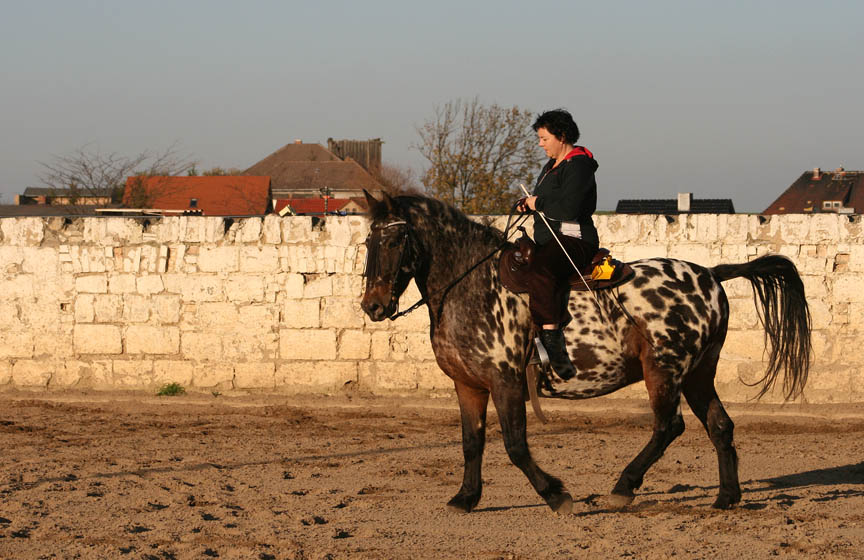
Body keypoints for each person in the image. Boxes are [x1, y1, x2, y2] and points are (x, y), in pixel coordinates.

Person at [517, 109, 600, 380]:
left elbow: (568, 208)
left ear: (561, 136)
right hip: (547, 240)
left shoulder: (579, 166)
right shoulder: (549, 167)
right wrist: (526, 204)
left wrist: (537, 202)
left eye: (544, 139)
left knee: (541, 269)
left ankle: (552, 338)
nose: (540, 144)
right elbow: (544, 201)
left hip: (574, 240)